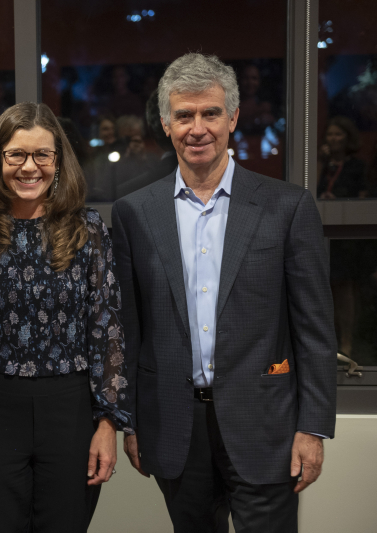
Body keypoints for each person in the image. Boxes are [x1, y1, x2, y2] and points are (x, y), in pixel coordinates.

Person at [112, 53, 337, 532]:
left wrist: (313, 427)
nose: (198, 128)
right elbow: (130, 329)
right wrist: (129, 421)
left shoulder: (286, 207)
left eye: (210, 113)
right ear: (166, 123)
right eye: (184, 115)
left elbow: (314, 330)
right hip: (174, 426)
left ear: (233, 118)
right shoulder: (134, 212)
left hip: (267, 426)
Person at [0, 102, 134, 533]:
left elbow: (107, 329)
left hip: (70, 411)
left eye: (42, 155)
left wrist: (108, 423)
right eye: (16, 155)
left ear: (58, 161)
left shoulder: (88, 230)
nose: (29, 167)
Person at [317, 116, 367, 199]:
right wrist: (320, 161)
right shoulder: (322, 164)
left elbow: (363, 196)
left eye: (338, 134)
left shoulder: (358, 166)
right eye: (329, 134)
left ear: (348, 137)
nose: (333, 138)